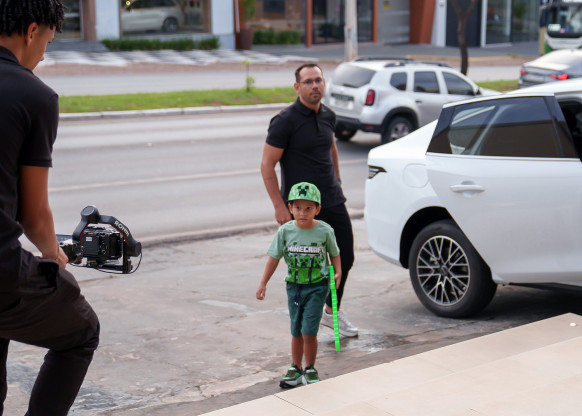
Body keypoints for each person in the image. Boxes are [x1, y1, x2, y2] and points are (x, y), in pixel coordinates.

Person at [0, 1, 100, 414]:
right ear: (31, 31)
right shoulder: (35, 95)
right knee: (82, 329)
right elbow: (34, 215)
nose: (43, 54)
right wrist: (53, 257)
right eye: (47, 41)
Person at [260, 63, 358, 337]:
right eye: (308, 82)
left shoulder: (328, 115)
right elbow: (267, 165)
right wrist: (280, 206)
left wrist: (337, 178)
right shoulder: (285, 121)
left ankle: (329, 310)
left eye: (318, 80)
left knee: (345, 256)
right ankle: (305, 325)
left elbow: (331, 146)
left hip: (332, 199)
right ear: (297, 87)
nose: (315, 86)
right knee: (306, 267)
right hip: (301, 207)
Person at [256, 182, 341, 387]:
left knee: (308, 331)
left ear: (317, 209)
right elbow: (274, 258)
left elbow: (334, 253)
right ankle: (295, 368)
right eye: (298, 208)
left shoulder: (325, 231)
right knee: (296, 331)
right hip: (294, 288)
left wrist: (338, 272)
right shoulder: (285, 232)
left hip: (317, 287)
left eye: (308, 208)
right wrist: (263, 283)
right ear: (290, 208)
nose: (302, 213)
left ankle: (310, 368)